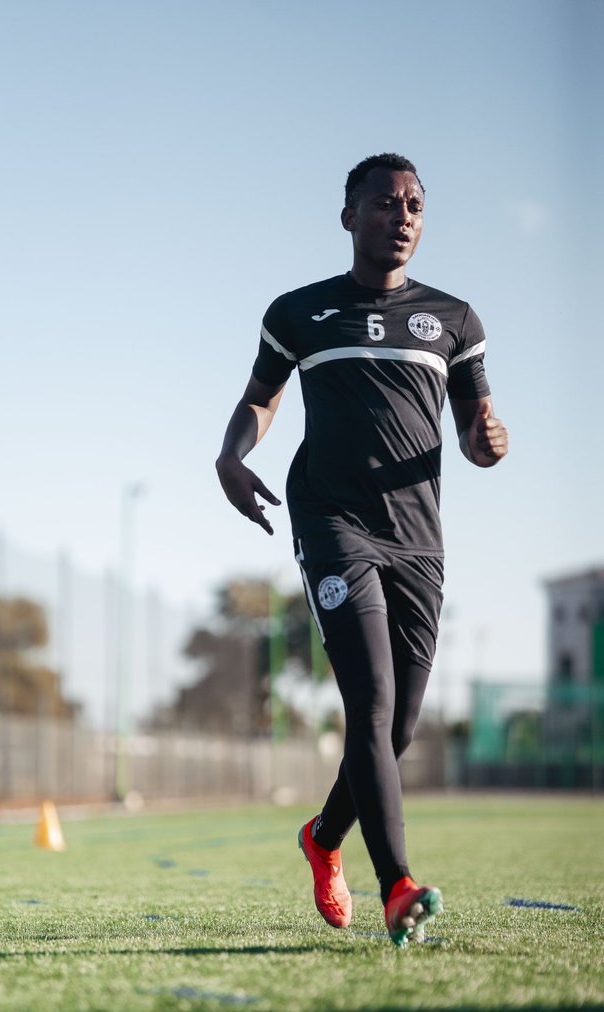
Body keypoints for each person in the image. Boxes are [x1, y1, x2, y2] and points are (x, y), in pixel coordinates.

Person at [216, 153, 508, 947]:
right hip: (333, 521)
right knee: (370, 704)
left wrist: (490, 440)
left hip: (419, 538)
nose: (403, 215)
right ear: (349, 217)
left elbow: (478, 436)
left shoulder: (455, 320)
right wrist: (231, 455)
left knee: (400, 726)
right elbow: (259, 398)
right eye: (385, 203)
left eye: (415, 204)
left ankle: (322, 837)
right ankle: (399, 885)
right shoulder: (300, 313)